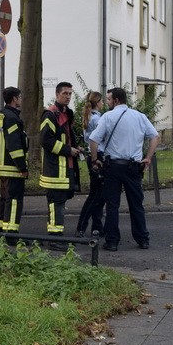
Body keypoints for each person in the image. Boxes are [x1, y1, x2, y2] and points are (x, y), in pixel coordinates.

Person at [88, 88, 160, 252]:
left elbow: (93, 140)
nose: (107, 102)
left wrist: (94, 160)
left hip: (113, 167)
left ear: (116, 100)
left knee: (112, 205)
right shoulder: (140, 116)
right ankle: (143, 239)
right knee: (136, 204)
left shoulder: (107, 117)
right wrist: (148, 157)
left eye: (109, 99)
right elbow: (155, 136)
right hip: (134, 167)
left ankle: (112, 241)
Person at [39, 81, 82, 240]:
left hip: (65, 169)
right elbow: (46, 141)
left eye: (70, 94)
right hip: (55, 170)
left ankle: (57, 236)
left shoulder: (66, 113)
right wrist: (68, 150)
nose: (68, 97)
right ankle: (55, 238)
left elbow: (68, 137)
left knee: (60, 203)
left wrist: (76, 147)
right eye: (65, 93)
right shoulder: (50, 114)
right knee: (56, 205)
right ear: (57, 95)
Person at [0, 87, 28, 234]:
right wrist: (22, 167)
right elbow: (14, 146)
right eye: (19, 97)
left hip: (0, 166)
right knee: (13, 201)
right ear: (14, 98)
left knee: (4, 199)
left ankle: (0, 229)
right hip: (12, 167)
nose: (21, 99)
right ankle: (11, 233)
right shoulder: (12, 118)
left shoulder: (0, 116)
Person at [76, 91, 106, 237]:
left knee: (99, 195)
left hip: (92, 155)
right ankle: (82, 227)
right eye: (102, 101)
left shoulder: (89, 117)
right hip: (98, 155)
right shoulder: (97, 119)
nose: (103, 103)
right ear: (97, 102)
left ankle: (97, 226)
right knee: (95, 195)